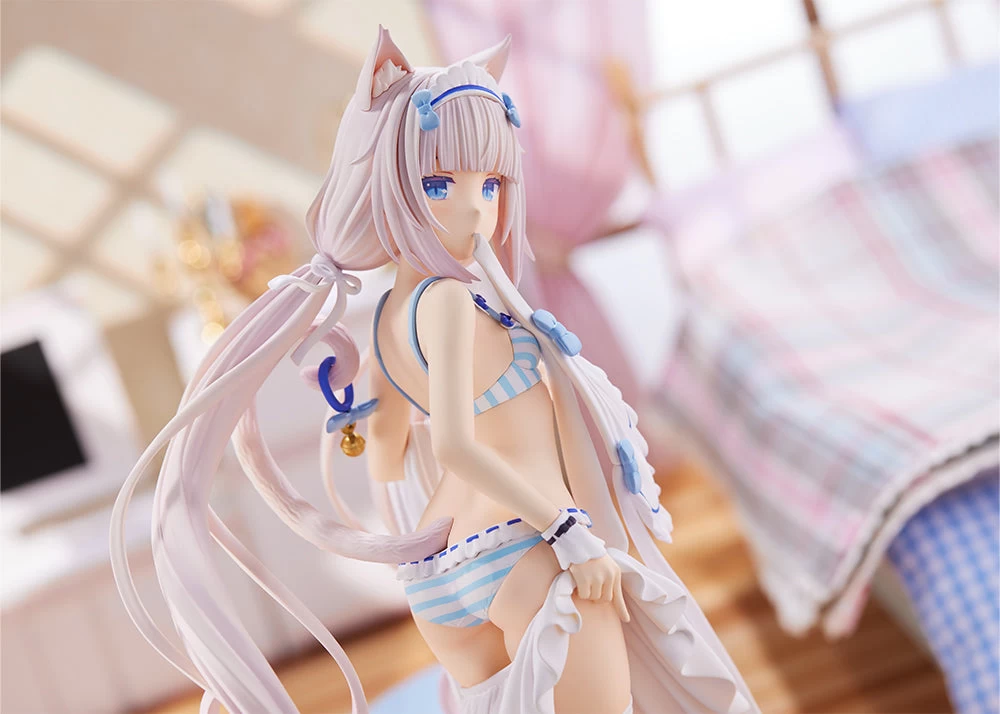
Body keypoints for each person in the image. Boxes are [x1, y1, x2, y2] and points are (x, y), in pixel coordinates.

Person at [110, 26, 760, 714]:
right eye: (440, 184)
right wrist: (568, 532)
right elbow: (451, 444)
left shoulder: (389, 315)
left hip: (439, 574)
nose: (475, 206)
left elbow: (387, 457)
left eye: (492, 183)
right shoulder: (450, 300)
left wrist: (357, 416)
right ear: (391, 186)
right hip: (526, 542)